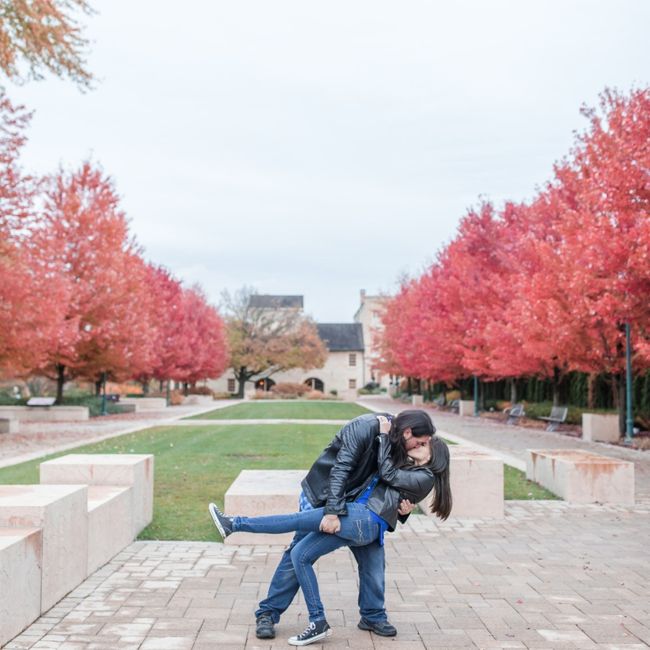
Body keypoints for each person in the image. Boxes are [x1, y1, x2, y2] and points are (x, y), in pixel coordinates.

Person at [209, 410, 452, 645]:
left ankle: (373, 616)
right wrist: (333, 511)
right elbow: (341, 469)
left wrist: (403, 511)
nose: (420, 446)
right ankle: (268, 613)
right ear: (409, 432)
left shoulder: (398, 443)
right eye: (421, 441)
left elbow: (392, 484)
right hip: (326, 496)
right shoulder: (367, 427)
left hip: (360, 509)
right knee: (297, 553)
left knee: (373, 563)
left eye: (425, 444)